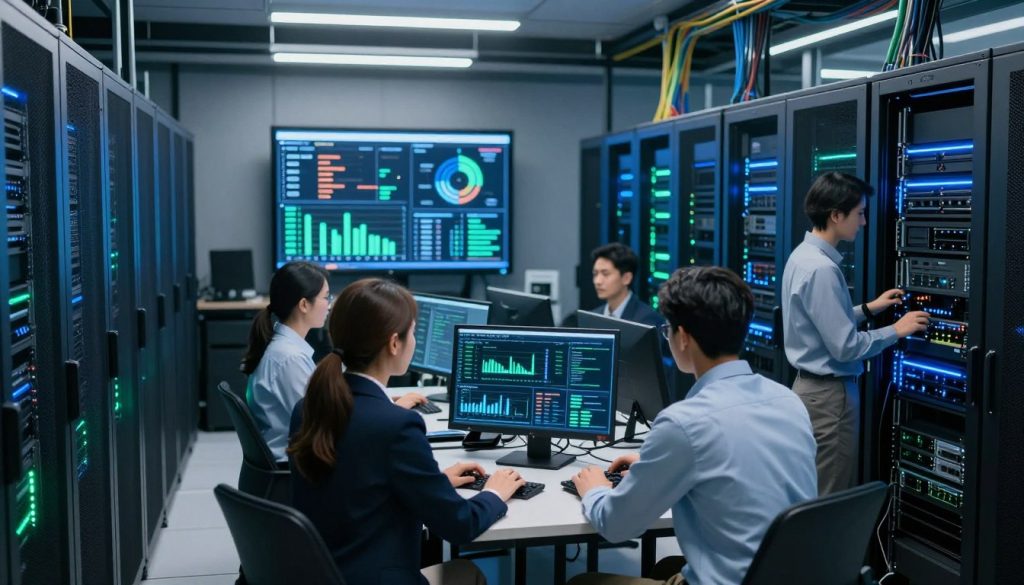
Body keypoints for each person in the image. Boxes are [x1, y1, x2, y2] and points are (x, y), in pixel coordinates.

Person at [569, 267, 818, 585]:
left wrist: (595, 491)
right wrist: (654, 464)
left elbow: (617, 526)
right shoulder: (788, 401)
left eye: (668, 330)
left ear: (683, 337)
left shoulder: (684, 424)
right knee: (666, 567)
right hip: (783, 576)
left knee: (583, 582)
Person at [287, 278, 525, 585]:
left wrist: (433, 482)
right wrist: (495, 492)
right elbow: (459, 525)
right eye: (413, 332)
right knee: (467, 575)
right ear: (394, 343)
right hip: (379, 576)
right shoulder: (397, 425)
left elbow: (356, 483)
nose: (415, 341)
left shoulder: (307, 408)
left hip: (326, 574)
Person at [781, 172, 929, 495]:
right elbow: (845, 347)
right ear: (836, 215)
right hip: (829, 400)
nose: (863, 222)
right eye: (859, 213)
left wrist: (869, 308)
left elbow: (822, 323)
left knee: (811, 489)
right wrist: (896, 329)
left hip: (808, 390)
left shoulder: (802, 257)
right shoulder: (822, 270)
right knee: (828, 496)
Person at [242, 262, 426, 461]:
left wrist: (383, 402)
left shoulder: (285, 349)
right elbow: (327, 423)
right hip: (296, 470)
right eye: (325, 297)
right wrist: (393, 411)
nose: (330, 304)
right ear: (304, 305)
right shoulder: (289, 359)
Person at [591, 243, 662, 327]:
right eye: (595, 274)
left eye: (605, 274)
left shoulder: (647, 321)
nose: (597, 281)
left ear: (626, 278)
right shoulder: (593, 317)